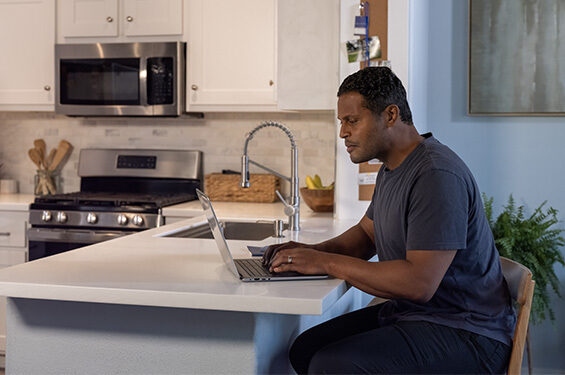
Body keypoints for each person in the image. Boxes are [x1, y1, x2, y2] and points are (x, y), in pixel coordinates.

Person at [262, 67, 516, 374]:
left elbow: (418, 283)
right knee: (306, 350)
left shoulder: (435, 175)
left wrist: (326, 263)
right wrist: (309, 253)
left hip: (468, 333)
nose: (343, 132)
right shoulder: (392, 167)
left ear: (390, 115)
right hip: (417, 316)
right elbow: (367, 236)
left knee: (331, 365)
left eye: (352, 121)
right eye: (342, 122)